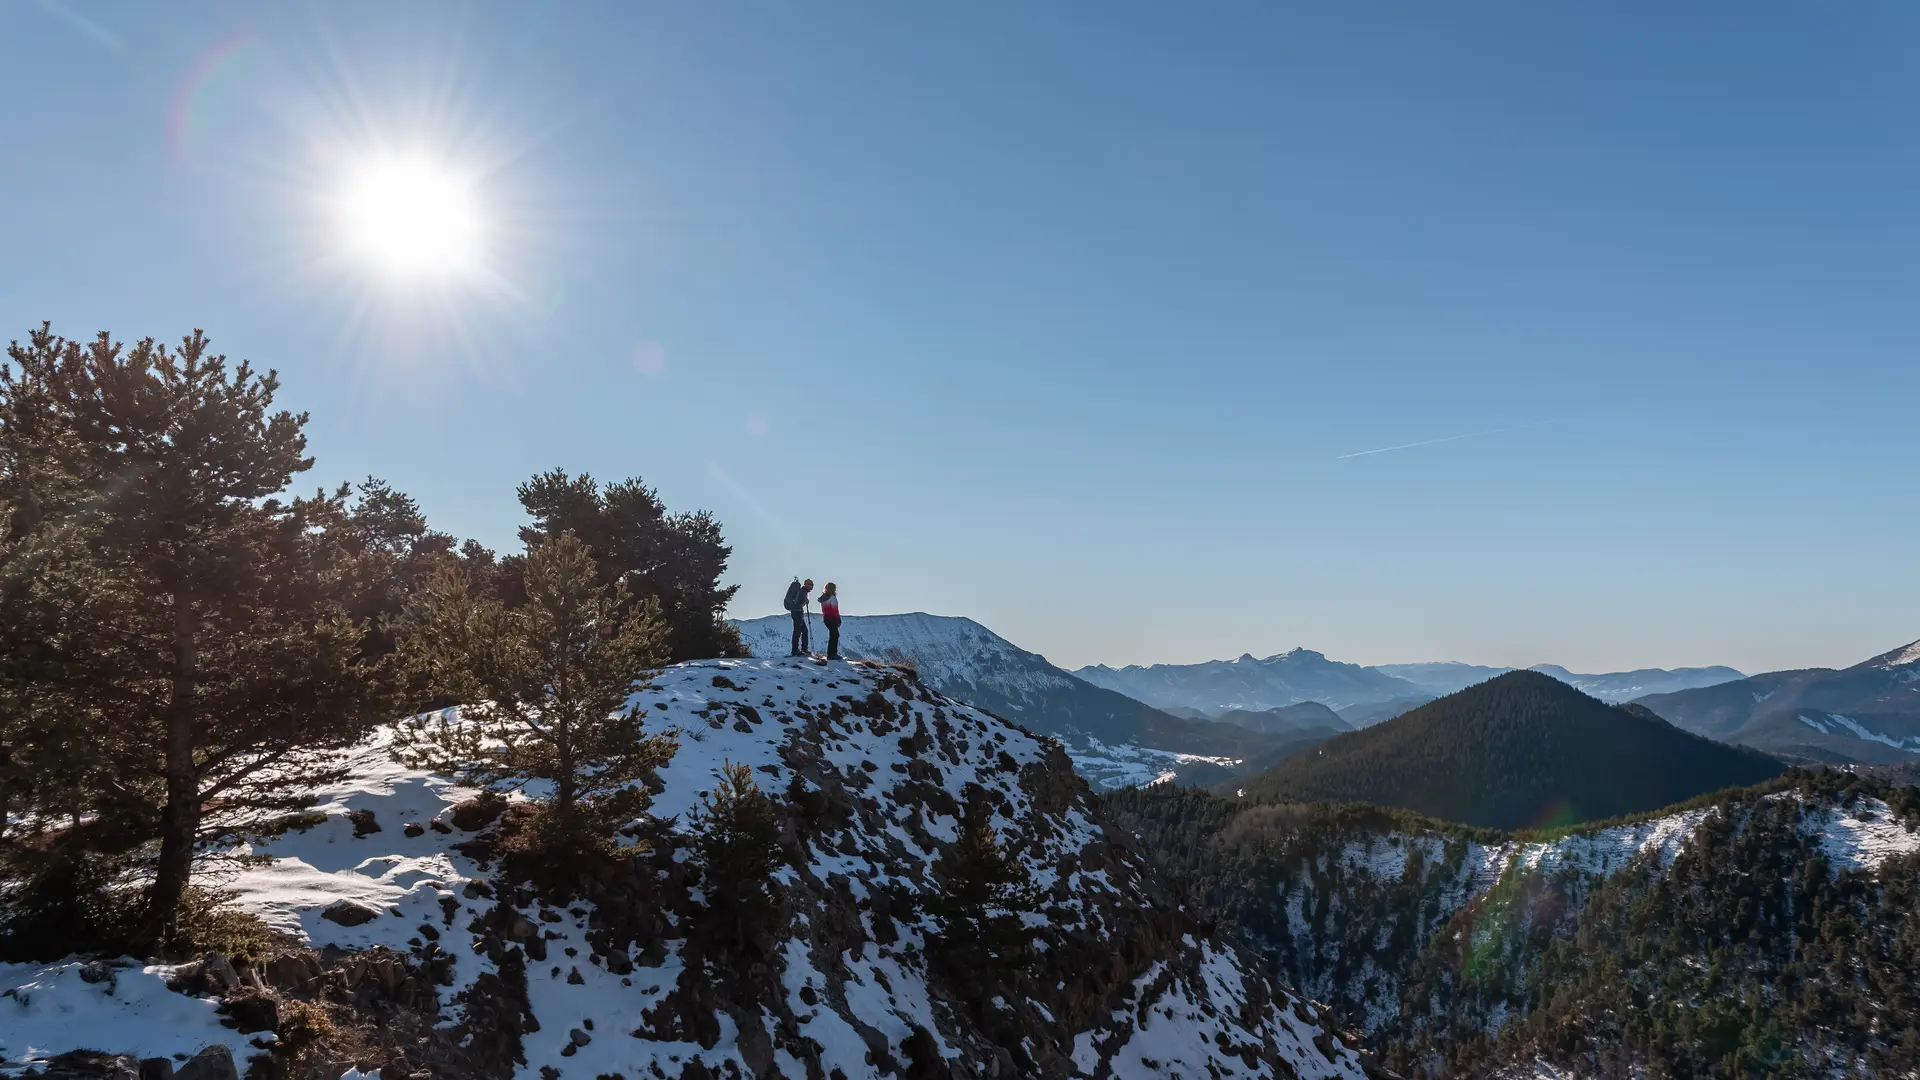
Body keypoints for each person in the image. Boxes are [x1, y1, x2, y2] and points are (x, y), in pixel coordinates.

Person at [783, 577, 813, 656]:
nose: (811, 587)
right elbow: (798, 603)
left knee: (801, 631)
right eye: (810, 585)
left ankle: (800, 650)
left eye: (811, 585)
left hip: (796, 612)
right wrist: (804, 602)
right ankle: (797, 650)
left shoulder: (802, 591)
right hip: (797, 613)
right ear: (806, 585)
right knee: (798, 631)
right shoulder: (802, 592)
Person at [818, 582, 841, 660]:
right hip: (832, 619)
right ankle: (832, 654)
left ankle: (831, 653)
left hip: (826, 618)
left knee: (833, 635)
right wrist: (838, 620)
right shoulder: (832, 598)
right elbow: (835, 610)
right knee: (835, 635)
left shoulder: (824, 598)